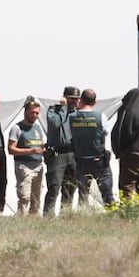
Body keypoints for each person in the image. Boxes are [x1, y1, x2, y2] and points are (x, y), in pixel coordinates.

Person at [67, 89, 115, 206]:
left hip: (81, 160)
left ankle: (83, 219)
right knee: (107, 194)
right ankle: (113, 216)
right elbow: (105, 132)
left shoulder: (71, 117)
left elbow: (69, 135)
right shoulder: (101, 116)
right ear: (95, 102)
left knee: (83, 194)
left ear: (81, 100)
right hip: (99, 161)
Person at [43, 86, 81, 216]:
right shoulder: (54, 111)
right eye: (72, 99)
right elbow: (55, 123)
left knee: (70, 187)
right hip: (57, 153)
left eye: (76, 99)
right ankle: (48, 215)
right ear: (65, 98)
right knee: (54, 186)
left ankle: (66, 214)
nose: (74, 102)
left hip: (73, 154)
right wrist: (63, 108)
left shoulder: (78, 113)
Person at [8, 96, 45, 215]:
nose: (35, 115)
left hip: (38, 165)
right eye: (32, 112)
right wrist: (30, 151)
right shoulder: (17, 128)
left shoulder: (38, 127)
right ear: (25, 112)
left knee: (36, 197)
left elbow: (40, 144)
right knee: (24, 196)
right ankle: (21, 218)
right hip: (24, 166)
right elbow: (11, 149)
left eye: (37, 113)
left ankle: (34, 221)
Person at [111, 88, 139, 199]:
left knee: (127, 187)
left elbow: (118, 132)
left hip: (130, 156)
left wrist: (118, 151)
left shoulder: (127, 112)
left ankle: (126, 211)